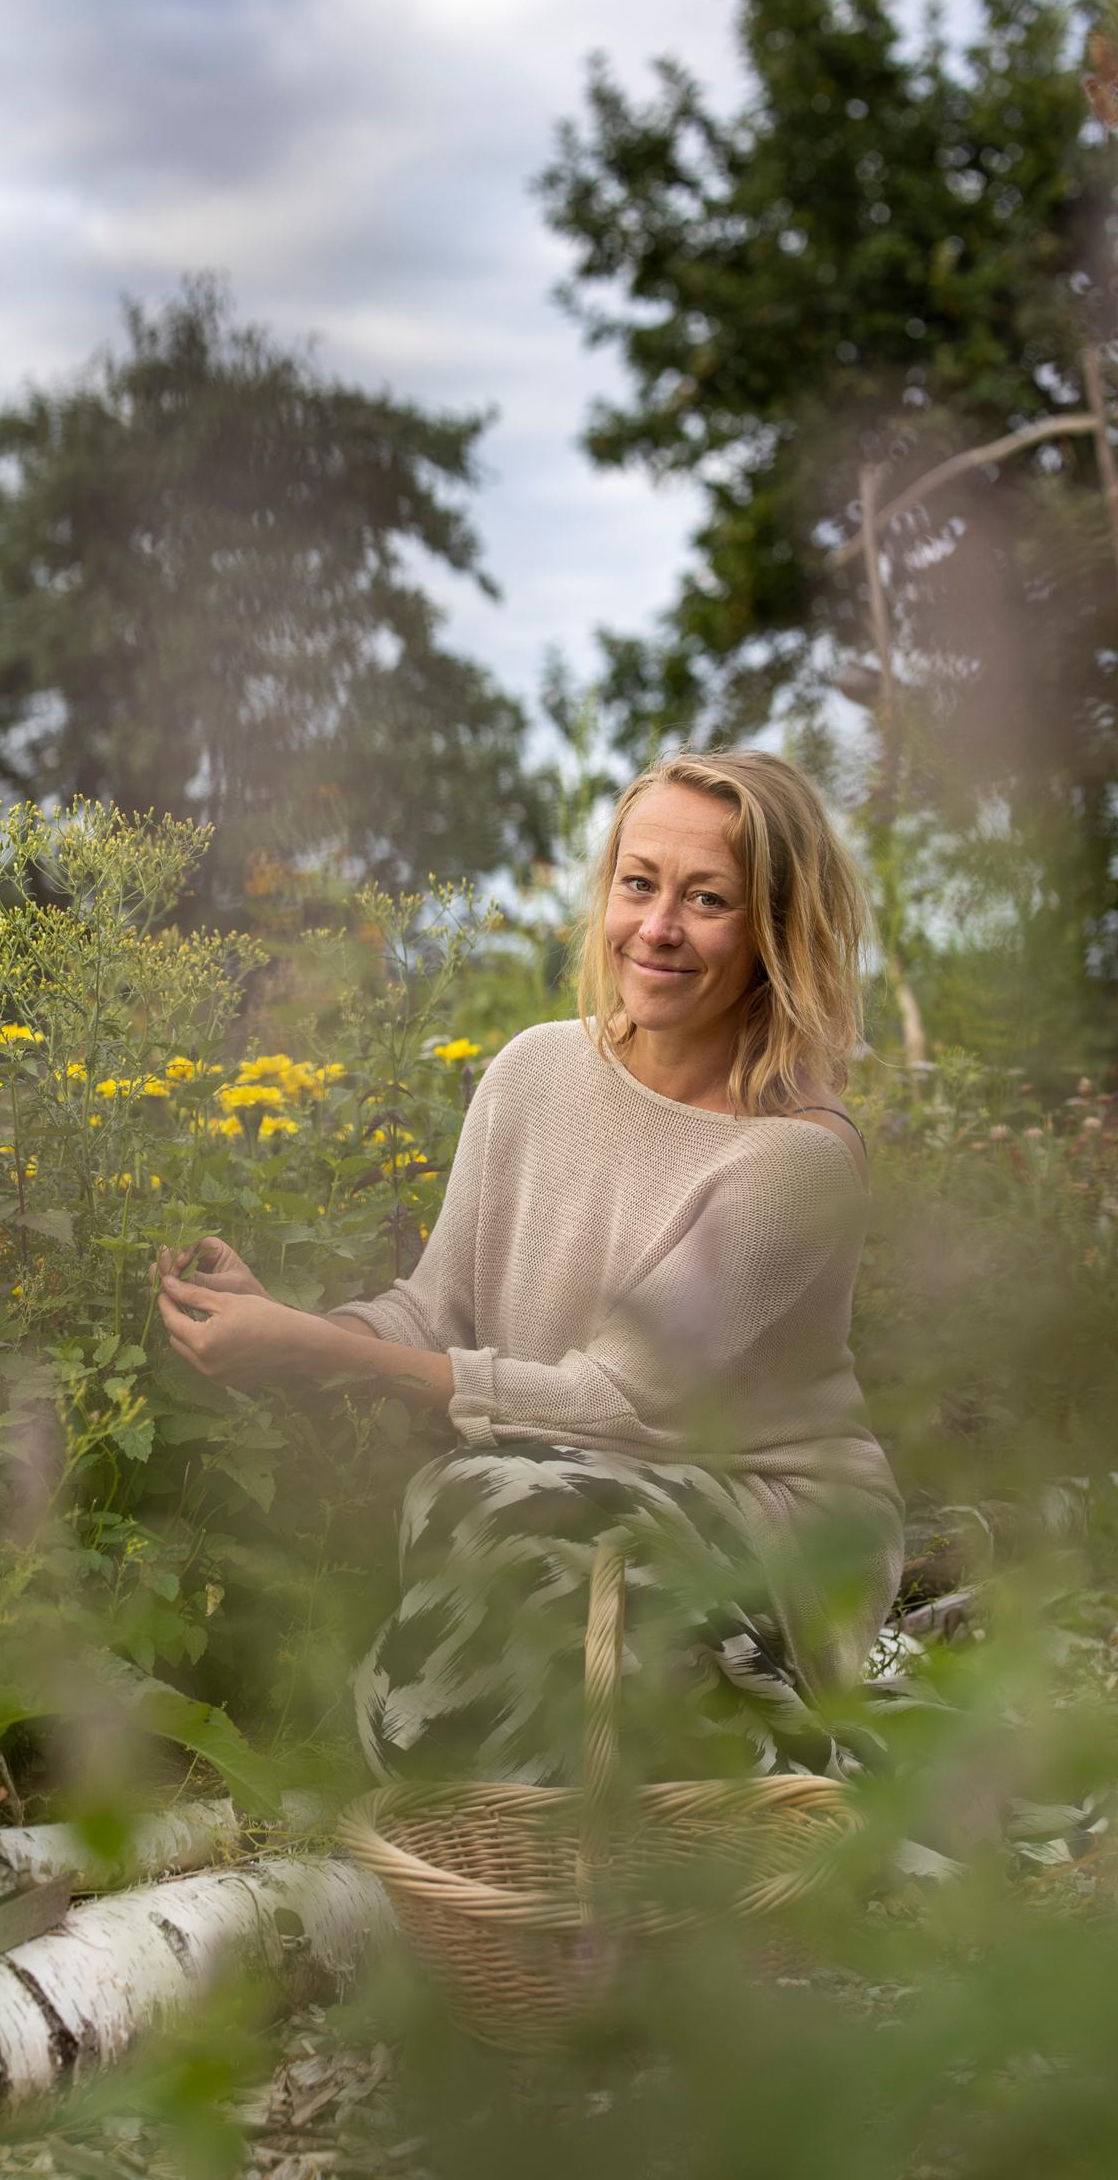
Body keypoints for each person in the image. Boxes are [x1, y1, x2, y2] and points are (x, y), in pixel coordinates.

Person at [154, 751, 903, 1788]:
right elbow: (438, 1305)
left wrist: (315, 1352)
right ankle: (591, 1780)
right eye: (639, 884)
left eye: (709, 900)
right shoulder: (536, 1071)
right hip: (550, 1491)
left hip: (767, 1524)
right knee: (486, 1505)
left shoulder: (795, 1159)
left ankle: (761, 1746)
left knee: (480, 1498)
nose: (659, 928)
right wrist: (290, 1324)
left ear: (776, 932)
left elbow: (615, 1404)